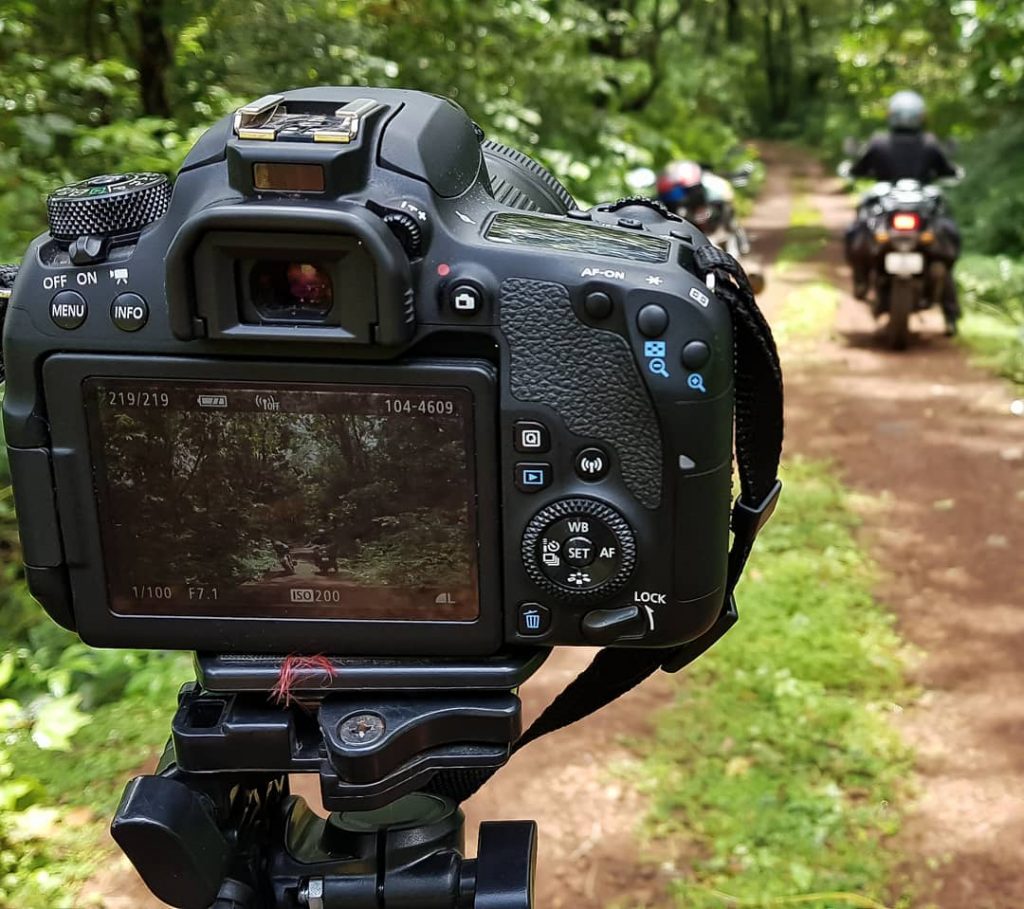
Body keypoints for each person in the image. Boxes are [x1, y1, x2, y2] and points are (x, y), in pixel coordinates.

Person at [846, 90, 962, 334]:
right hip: (917, 214)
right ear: (920, 116)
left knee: (854, 231)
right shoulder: (929, 143)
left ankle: (860, 281)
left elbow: (858, 169)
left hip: (890, 213)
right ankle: (951, 315)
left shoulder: (879, 142)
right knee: (945, 251)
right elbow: (948, 170)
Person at [656, 161, 750, 255]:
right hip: (696, 234)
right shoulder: (673, 192)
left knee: (730, 224)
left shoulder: (712, 188)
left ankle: (739, 243)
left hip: (715, 224)